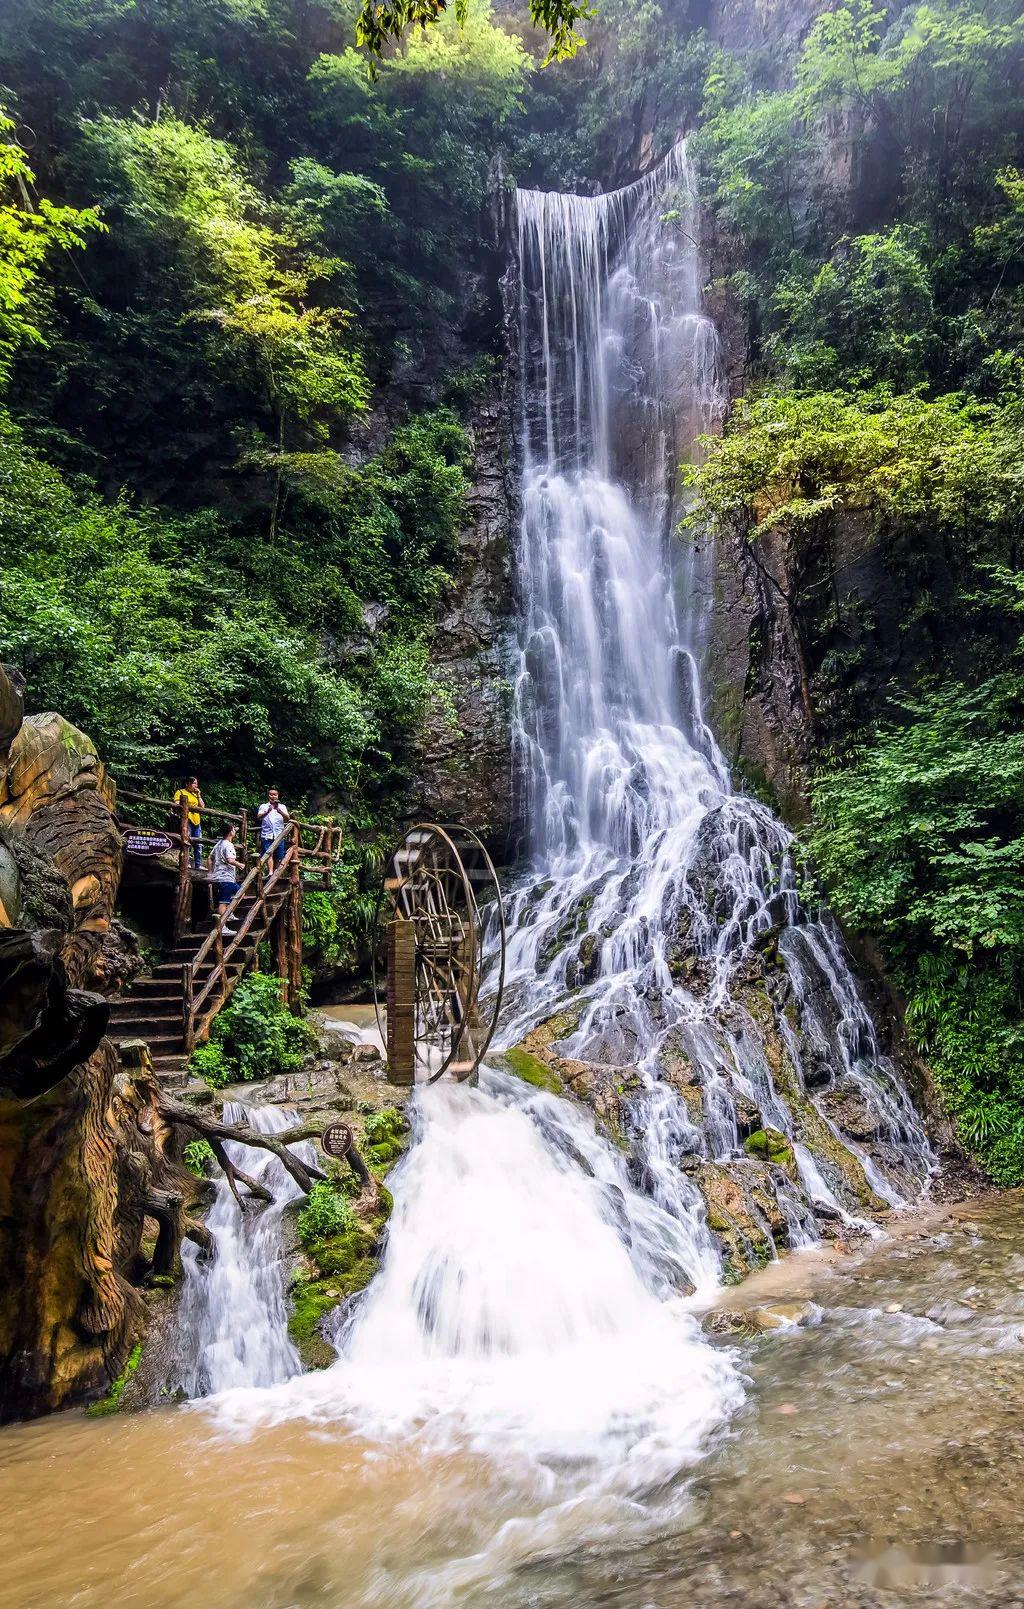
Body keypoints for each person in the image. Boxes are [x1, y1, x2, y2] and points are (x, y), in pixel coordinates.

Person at [208, 824, 241, 934]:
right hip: (225, 878)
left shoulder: (218, 844)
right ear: (230, 832)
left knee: (240, 892)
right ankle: (222, 927)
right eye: (233, 829)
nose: (234, 831)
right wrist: (240, 865)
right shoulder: (228, 845)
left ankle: (229, 912)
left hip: (219, 877)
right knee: (223, 902)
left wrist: (210, 872)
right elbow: (230, 859)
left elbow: (210, 857)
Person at [173, 774, 205, 870]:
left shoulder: (195, 794)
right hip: (186, 820)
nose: (196, 786)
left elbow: (202, 807)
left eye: (196, 784)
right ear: (188, 784)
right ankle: (186, 862)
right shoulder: (180, 792)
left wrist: (199, 795)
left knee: (198, 843)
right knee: (187, 842)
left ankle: (198, 865)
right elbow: (176, 804)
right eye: (194, 783)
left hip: (197, 821)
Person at [256, 786, 290, 865]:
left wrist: (280, 811)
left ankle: (277, 873)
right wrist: (267, 811)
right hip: (267, 834)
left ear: (278, 796)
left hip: (279, 834)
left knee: (280, 856)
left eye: (275, 795)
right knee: (268, 854)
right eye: (271, 795)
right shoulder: (263, 806)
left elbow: (287, 819)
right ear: (268, 796)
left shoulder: (282, 807)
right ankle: (270, 873)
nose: (273, 796)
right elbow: (259, 817)